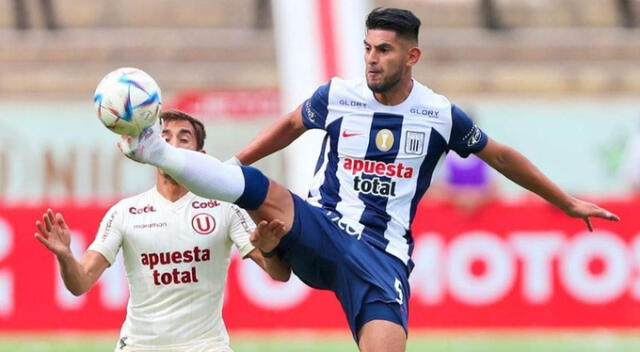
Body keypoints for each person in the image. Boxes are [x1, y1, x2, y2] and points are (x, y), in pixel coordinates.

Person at [117, 8, 619, 352]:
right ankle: (152, 148)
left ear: (411, 57)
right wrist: (231, 167)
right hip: (323, 226)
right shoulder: (338, 94)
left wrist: (567, 202)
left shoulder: (439, 115)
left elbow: (502, 156)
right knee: (257, 187)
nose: (372, 59)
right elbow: (291, 125)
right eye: (367, 48)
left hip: (382, 259)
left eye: (384, 50)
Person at [35, 109, 290, 352]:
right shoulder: (125, 212)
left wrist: (269, 251)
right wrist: (65, 255)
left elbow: (279, 275)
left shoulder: (224, 208)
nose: (173, 145)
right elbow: (80, 284)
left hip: (205, 345)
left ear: (201, 154)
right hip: (139, 346)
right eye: (164, 138)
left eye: (183, 138)